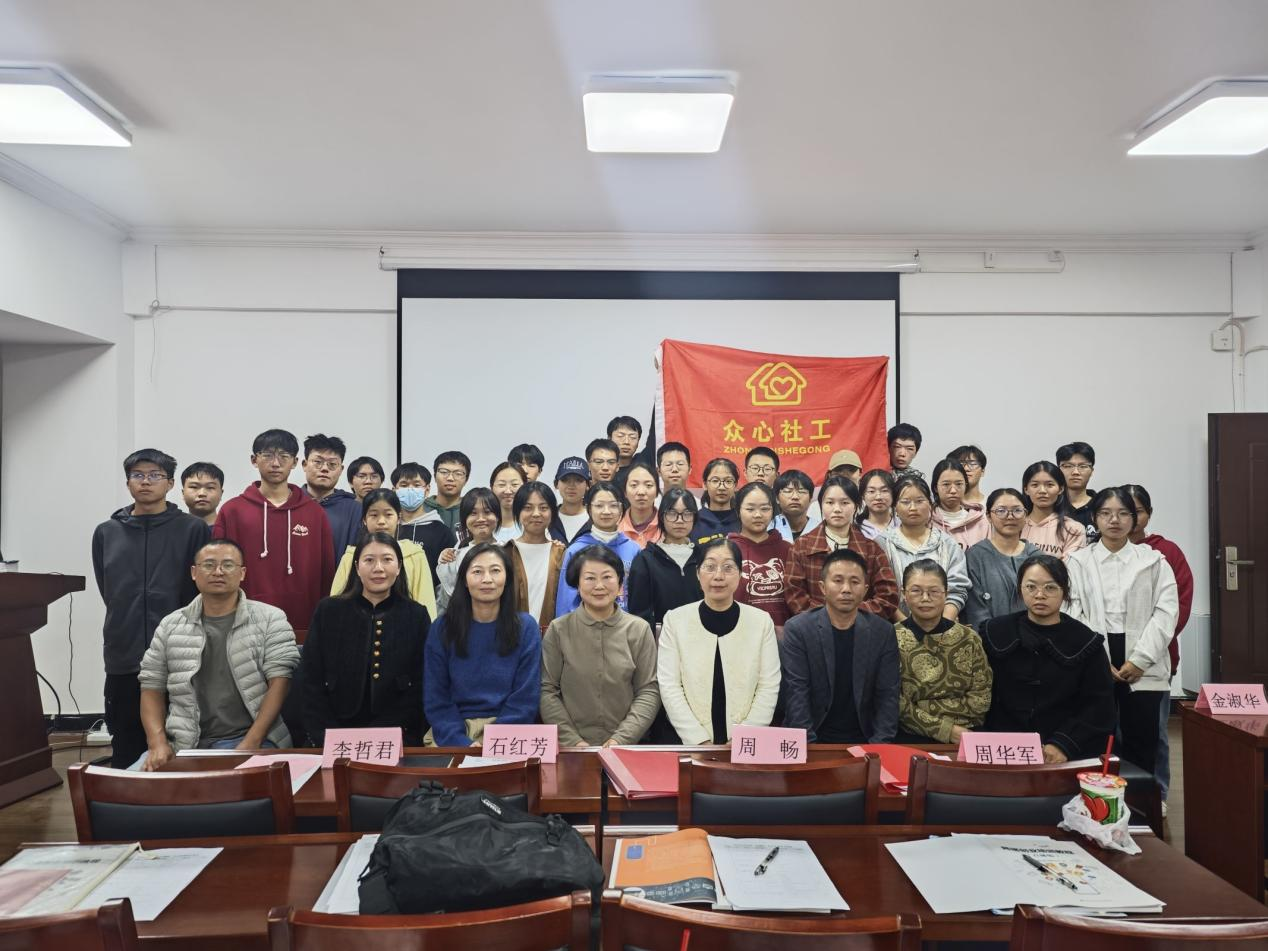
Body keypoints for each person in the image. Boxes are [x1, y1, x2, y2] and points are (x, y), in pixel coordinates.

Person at [93, 448, 211, 768]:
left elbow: (201, 589)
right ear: (128, 482)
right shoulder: (106, 532)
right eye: (138, 475)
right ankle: (126, 795)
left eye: (155, 475)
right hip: (124, 648)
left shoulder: (193, 529)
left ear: (170, 483)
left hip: (180, 650)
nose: (146, 482)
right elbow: (108, 589)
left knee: (184, 740)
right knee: (126, 737)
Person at [137, 539, 299, 769]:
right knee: (127, 787)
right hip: (183, 743)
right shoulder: (170, 625)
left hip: (251, 739)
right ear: (194, 573)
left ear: (242, 573)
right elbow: (151, 686)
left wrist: (250, 743)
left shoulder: (270, 619)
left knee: (227, 790)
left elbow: (280, 682)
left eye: (228, 565)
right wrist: (157, 744)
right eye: (209, 565)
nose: (218, 572)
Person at [1066, 487, 1178, 777]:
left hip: (1143, 656)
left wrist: (1140, 660)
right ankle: (1095, 797)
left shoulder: (1154, 562)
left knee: (1142, 738)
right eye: (1105, 513)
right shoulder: (1078, 562)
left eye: (1123, 513)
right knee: (1095, 736)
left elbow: (1165, 614)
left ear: (1134, 519)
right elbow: (1073, 612)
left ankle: (1140, 800)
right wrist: (1098, 659)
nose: (1114, 520)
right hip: (1094, 652)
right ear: (1094, 518)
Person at [980, 554, 1116, 762]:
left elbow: (1099, 706)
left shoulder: (1086, 642)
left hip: (1061, 751)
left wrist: (1063, 744)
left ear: (1065, 592)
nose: (1040, 595)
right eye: (1031, 587)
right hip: (1001, 747)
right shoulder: (995, 632)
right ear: (1020, 589)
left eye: (1050, 588)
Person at [302, 533, 431, 745]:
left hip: (397, 733)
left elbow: (421, 683)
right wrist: (325, 734)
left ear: (399, 567)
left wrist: (385, 734)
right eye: (369, 560)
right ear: (357, 567)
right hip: (332, 732)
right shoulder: (329, 611)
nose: (378, 568)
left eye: (387, 560)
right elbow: (310, 678)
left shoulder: (416, 615)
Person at [657, 538, 781, 744]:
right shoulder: (675, 620)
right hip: (689, 742)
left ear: (740, 574)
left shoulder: (761, 622)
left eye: (728, 568)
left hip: (744, 744)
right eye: (710, 567)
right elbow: (669, 685)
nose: (718, 576)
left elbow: (768, 685)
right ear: (698, 573)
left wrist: (743, 739)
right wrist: (698, 740)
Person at [213, 429, 335, 634]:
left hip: (303, 624)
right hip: (244, 625)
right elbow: (219, 571)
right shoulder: (233, 511)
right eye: (268, 455)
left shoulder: (314, 513)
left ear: (295, 462)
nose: (276, 463)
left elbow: (327, 572)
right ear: (254, 460)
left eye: (284, 456)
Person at [541, 545, 660, 746]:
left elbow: (648, 690)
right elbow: (547, 690)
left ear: (620, 584)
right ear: (577, 585)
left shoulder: (638, 629)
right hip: (572, 748)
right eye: (589, 578)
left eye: (607, 577)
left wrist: (620, 739)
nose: (599, 586)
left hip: (627, 746)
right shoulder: (559, 629)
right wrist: (573, 741)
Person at [424, 543, 542, 746]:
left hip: (510, 732)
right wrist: (461, 743)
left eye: (495, 571)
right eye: (477, 572)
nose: (487, 579)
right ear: (464, 580)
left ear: (507, 578)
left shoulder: (526, 627)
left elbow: (525, 699)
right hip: (454, 730)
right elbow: (436, 697)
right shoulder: (442, 628)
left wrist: (495, 741)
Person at [780, 548, 900, 743]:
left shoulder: (883, 632)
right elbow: (796, 693)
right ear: (822, 587)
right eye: (838, 581)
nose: (846, 589)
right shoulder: (799, 629)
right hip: (813, 737)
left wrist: (879, 747)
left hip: (865, 738)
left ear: (865, 589)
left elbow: (888, 696)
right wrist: (810, 747)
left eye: (854, 582)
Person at [1124, 483, 1193, 809]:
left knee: (1156, 732)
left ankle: (1157, 793)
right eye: (1118, 512)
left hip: (1155, 659)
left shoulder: (1167, 552)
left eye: (1135, 511)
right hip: (1110, 662)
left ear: (1148, 514)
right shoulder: (1097, 554)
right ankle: (1119, 792)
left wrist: (1145, 652)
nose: (1127, 518)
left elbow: (1178, 608)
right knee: (1116, 731)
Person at [893, 559, 992, 743]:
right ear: (904, 594)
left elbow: (981, 698)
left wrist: (925, 706)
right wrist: (946, 730)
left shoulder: (968, 638)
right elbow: (893, 701)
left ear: (946, 594)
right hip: (911, 735)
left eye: (934, 591)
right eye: (916, 591)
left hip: (966, 733)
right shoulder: (891, 638)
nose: (925, 598)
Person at [785, 477, 899, 620]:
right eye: (830, 502)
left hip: (862, 627)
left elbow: (887, 596)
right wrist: (829, 617)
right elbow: (795, 596)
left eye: (845, 503)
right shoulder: (801, 547)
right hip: (814, 628)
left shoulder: (872, 549)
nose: (837, 509)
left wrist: (848, 616)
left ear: (856, 506)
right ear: (821, 505)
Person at [330, 488, 437, 616]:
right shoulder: (351, 556)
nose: (381, 521)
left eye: (388, 514)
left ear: (398, 518)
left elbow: (426, 601)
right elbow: (336, 603)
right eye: (374, 515)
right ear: (364, 520)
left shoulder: (414, 555)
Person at [881, 476, 969, 621]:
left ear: (930, 504)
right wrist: (906, 627)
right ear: (895, 507)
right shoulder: (882, 543)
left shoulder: (948, 544)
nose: (913, 508)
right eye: (905, 502)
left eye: (919, 501)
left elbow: (957, 589)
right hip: (894, 628)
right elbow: (882, 592)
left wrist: (943, 624)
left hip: (943, 626)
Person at [556, 482, 642, 616]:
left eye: (613, 505)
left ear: (621, 509)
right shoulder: (576, 550)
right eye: (599, 505)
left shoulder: (633, 549)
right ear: (589, 509)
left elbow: (638, 596)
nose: (606, 511)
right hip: (584, 625)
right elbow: (566, 601)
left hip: (623, 624)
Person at [963, 488, 1041, 628]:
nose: (1010, 517)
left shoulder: (1037, 557)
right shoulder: (975, 556)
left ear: (1026, 515)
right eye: (1001, 511)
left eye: (1017, 510)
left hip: (1033, 635)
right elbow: (975, 610)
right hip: (987, 636)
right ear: (988, 516)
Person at [627, 488, 704, 627]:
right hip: (661, 637)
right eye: (672, 513)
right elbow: (639, 614)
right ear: (662, 517)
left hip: (700, 634)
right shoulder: (646, 560)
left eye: (687, 514)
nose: (679, 520)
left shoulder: (704, 558)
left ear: (694, 517)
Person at [729, 482, 792, 627]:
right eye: (750, 509)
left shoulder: (788, 549)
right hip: (738, 631)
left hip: (784, 633)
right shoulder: (727, 550)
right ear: (738, 511)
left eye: (765, 509)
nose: (758, 515)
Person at [506, 482, 566, 629]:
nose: (536, 514)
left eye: (543, 508)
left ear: (552, 512)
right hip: (512, 635)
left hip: (552, 637)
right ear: (518, 512)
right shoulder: (506, 552)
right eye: (528, 508)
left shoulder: (561, 553)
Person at [392, 461, 456, 589]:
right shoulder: (388, 528)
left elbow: (448, 573)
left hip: (428, 596)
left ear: (427, 490)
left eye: (416, 485)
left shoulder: (441, 531)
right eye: (404, 485)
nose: (410, 489)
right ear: (394, 490)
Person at [436, 488, 499, 613]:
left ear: (498, 516)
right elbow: (443, 604)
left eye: (487, 512)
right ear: (464, 519)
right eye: (473, 513)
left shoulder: (507, 551)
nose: (481, 519)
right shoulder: (454, 556)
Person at [300, 434, 362, 559]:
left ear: (341, 469)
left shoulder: (356, 510)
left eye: (332, 464)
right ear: (304, 465)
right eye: (318, 462)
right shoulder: (290, 504)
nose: (324, 469)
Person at [1020, 461, 1086, 559]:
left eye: (1049, 485)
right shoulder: (1015, 525)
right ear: (1026, 489)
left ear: (1061, 489)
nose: (1042, 491)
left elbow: (1069, 566)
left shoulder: (1073, 529)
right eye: (1035, 485)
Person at [930, 458, 989, 551]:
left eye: (959, 484)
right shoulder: (926, 521)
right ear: (935, 488)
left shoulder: (981, 523)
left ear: (965, 486)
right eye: (946, 484)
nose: (953, 490)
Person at [1057, 441, 1098, 542]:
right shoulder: (1050, 505)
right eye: (1068, 466)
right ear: (1058, 470)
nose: (1075, 472)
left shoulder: (1101, 505)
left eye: (1083, 466)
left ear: (1092, 471)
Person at [693, 458, 741, 540]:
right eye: (715, 481)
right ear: (705, 485)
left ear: (735, 485)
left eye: (728, 481)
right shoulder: (693, 521)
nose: (722, 487)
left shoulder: (743, 521)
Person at [617, 461, 662, 548]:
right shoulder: (615, 526)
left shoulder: (666, 526)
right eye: (634, 485)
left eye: (648, 485)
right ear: (625, 492)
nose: (641, 492)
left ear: (657, 492)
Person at [425, 450, 471, 532]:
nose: (450, 478)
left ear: (466, 480)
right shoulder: (421, 509)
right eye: (444, 472)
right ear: (435, 476)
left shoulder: (471, 509)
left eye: (458, 473)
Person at [550, 456, 592, 544]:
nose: (571, 486)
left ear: (588, 485)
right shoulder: (547, 518)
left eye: (578, 480)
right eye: (565, 480)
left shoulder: (595, 518)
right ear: (556, 484)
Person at [773, 469, 820, 542]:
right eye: (788, 491)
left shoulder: (819, 529)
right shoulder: (769, 527)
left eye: (801, 491)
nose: (795, 497)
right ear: (777, 498)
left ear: (810, 498)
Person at [856, 469, 898, 541]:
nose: (878, 497)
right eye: (871, 491)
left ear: (893, 494)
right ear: (863, 496)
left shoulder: (904, 525)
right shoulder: (856, 530)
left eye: (884, 490)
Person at [490, 461, 526, 543]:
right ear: (491, 488)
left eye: (515, 484)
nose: (508, 491)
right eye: (501, 485)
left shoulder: (532, 524)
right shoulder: (483, 524)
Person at [180, 461, 224, 526]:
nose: (202, 493)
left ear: (221, 494)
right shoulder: (173, 529)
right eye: (194, 487)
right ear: (183, 493)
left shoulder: (231, 529)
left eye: (210, 487)